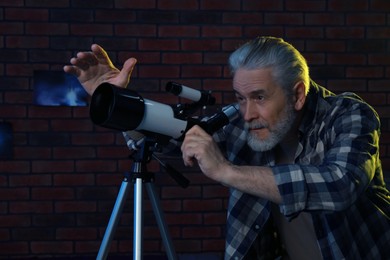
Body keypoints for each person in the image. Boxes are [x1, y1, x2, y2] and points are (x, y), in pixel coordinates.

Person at [64, 36, 390, 259]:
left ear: (298, 94)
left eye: (259, 98)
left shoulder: (349, 115)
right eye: (239, 97)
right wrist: (120, 105)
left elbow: (338, 185)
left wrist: (225, 170)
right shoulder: (242, 121)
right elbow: (177, 142)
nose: (247, 113)